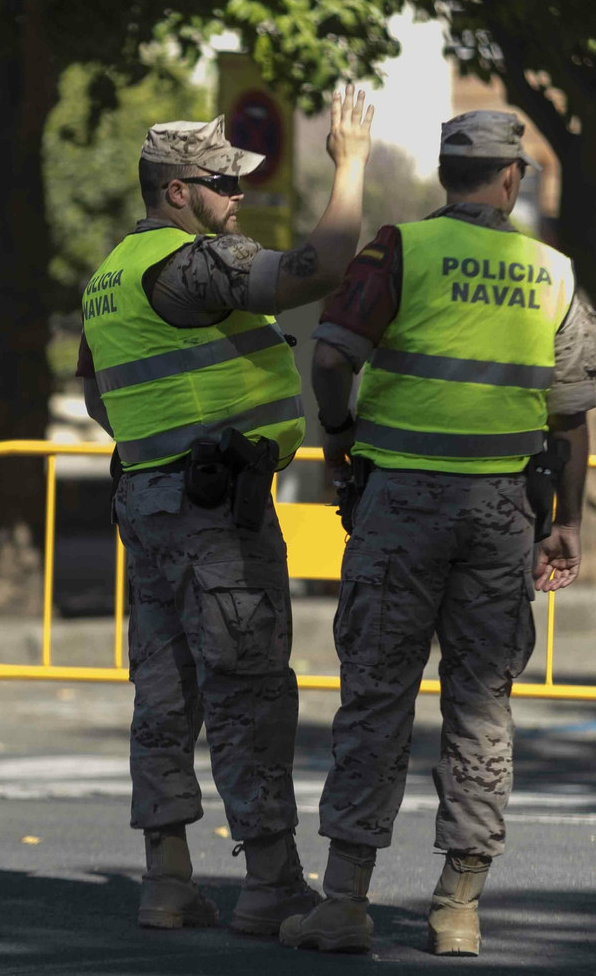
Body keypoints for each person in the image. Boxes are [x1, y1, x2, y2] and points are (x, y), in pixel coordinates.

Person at [279, 111, 596, 957]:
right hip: (500, 514)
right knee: (481, 707)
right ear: (510, 180)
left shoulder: (400, 251)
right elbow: (572, 417)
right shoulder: (554, 273)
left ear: (446, 173)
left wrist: (343, 443)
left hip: (400, 507)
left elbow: (330, 355)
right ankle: (458, 907)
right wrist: (566, 522)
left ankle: (344, 902)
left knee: (377, 697)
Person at [75, 93, 374, 935]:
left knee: (163, 691)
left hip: (149, 499)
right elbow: (319, 268)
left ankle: (167, 878)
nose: (236, 195)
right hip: (214, 511)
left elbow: (98, 392)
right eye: (221, 182)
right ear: (177, 191)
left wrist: (162, 442)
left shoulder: (110, 279)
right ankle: (273, 883)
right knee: (248, 690)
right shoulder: (190, 266)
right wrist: (347, 164)